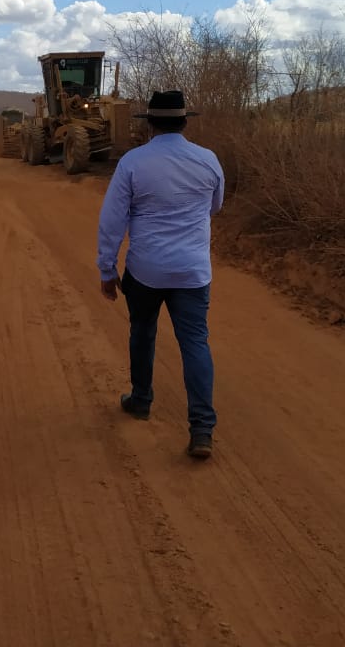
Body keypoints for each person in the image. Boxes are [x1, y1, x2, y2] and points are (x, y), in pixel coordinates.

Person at [96, 89, 225, 459]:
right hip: (192, 271)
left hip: (145, 270)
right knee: (195, 342)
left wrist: (107, 268)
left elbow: (112, 220)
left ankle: (140, 400)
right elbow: (214, 206)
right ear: (185, 122)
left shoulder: (133, 163)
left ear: (149, 124)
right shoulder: (208, 160)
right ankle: (202, 429)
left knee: (142, 331)